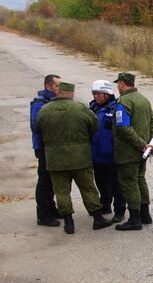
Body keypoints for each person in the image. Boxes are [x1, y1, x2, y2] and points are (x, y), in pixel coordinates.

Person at [36, 81, 114, 234]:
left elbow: (38, 129)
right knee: (88, 188)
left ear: (58, 93)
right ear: (71, 94)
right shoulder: (80, 108)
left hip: (55, 160)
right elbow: (94, 126)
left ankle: (69, 223)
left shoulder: (44, 110)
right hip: (80, 158)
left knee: (62, 191)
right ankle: (98, 219)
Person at [112, 73, 153, 231]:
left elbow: (123, 127)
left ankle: (135, 219)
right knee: (140, 179)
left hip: (128, 152)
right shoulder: (143, 99)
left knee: (129, 183)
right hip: (143, 151)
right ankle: (145, 215)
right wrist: (152, 141)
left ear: (123, 84)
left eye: (118, 84)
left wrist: (141, 145)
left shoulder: (123, 102)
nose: (117, 86)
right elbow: (152, 121)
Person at [89, 80, 127, 223]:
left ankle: (120, 210)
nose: (96, 96)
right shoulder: (92, 107)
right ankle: (105, 205)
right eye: (94, 93)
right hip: (96, 154)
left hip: (112, 155)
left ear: (107, 94)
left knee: (116, 185)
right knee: (100, 181)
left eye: (98, 93)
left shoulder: (116, 108)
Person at [30, 74, 61, 227]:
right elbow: (36, 126)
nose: (59, 89)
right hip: (44, 147)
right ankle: (43, 215)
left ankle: (51, 208)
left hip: (52, 147)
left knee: (51, 180)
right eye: (57, 86)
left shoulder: (51, 102)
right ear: (48, 86)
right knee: (44, 181)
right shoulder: (39, 103)